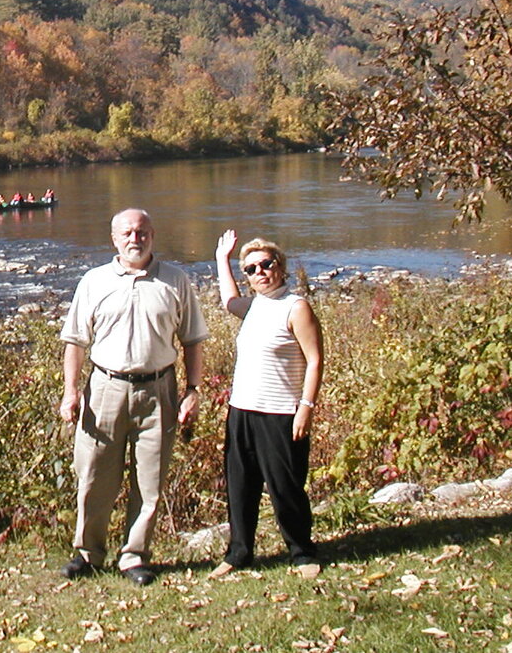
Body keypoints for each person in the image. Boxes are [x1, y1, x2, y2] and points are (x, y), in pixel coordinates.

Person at [58, 208, 207, 585]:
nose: (134, 239)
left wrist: (193, 391)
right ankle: (89, 553)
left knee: (150, 481)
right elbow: (75, 341)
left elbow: (192, 340)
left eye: (141, 232)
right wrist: (70, 392)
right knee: (93, 475)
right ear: (114, 239)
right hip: (105, 388)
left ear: (153, 235)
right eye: (127, 233)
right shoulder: (94, 281)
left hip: (160, 390)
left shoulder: (176, 280)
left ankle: (134, 556)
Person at [210, 229, 324, 580]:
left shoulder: (295, 306)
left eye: (265, 265)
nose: (259, 272)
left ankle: (301, 551)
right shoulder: (253, 306)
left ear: (280, 267)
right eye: (250, 269)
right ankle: (239, 553)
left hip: (281, 413)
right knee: (240, 484)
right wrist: (222, 259)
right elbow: (229, 300)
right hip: (242, 410)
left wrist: (305, 406)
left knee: (285, 486)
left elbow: (316, 360)